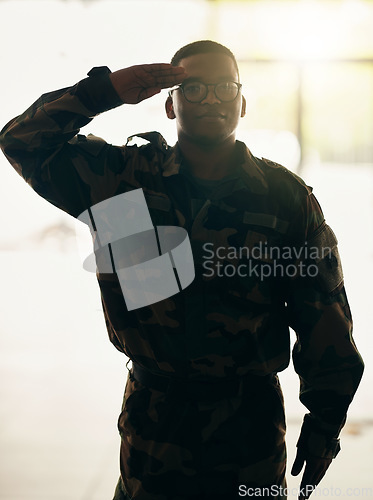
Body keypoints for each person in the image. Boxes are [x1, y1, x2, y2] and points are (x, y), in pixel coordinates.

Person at [0, 40, 364, 500]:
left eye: (224, 88)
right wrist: (105, 90)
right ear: (169, 104)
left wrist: (326, 419)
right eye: (193, 89)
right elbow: (21, 142)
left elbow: (323, 315)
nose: (210, 99)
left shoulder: (284, 197)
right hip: (153, 427)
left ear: (243, 102)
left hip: (249, 428)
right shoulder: (121, 180)